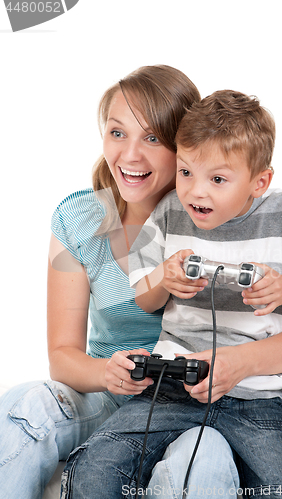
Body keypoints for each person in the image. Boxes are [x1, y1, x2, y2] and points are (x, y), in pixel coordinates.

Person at [60, 89, 282, 499]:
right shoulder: (170, 212)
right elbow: (142, 298)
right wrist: (163, 281)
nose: (195, 192)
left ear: (261, 181)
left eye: (217, 179)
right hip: (170, 388)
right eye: (186, 172)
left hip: (256, 400)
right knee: (95, 467)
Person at [0, 65, 238, 499]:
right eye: (117, 133)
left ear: (186, 147)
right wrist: (107, 373)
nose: (130, 156)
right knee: (24, 406)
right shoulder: (76, 219)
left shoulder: (218, 219)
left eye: (151, 138)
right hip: (106, 401)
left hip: (191, 409)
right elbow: (62, 357)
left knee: (204, 461)